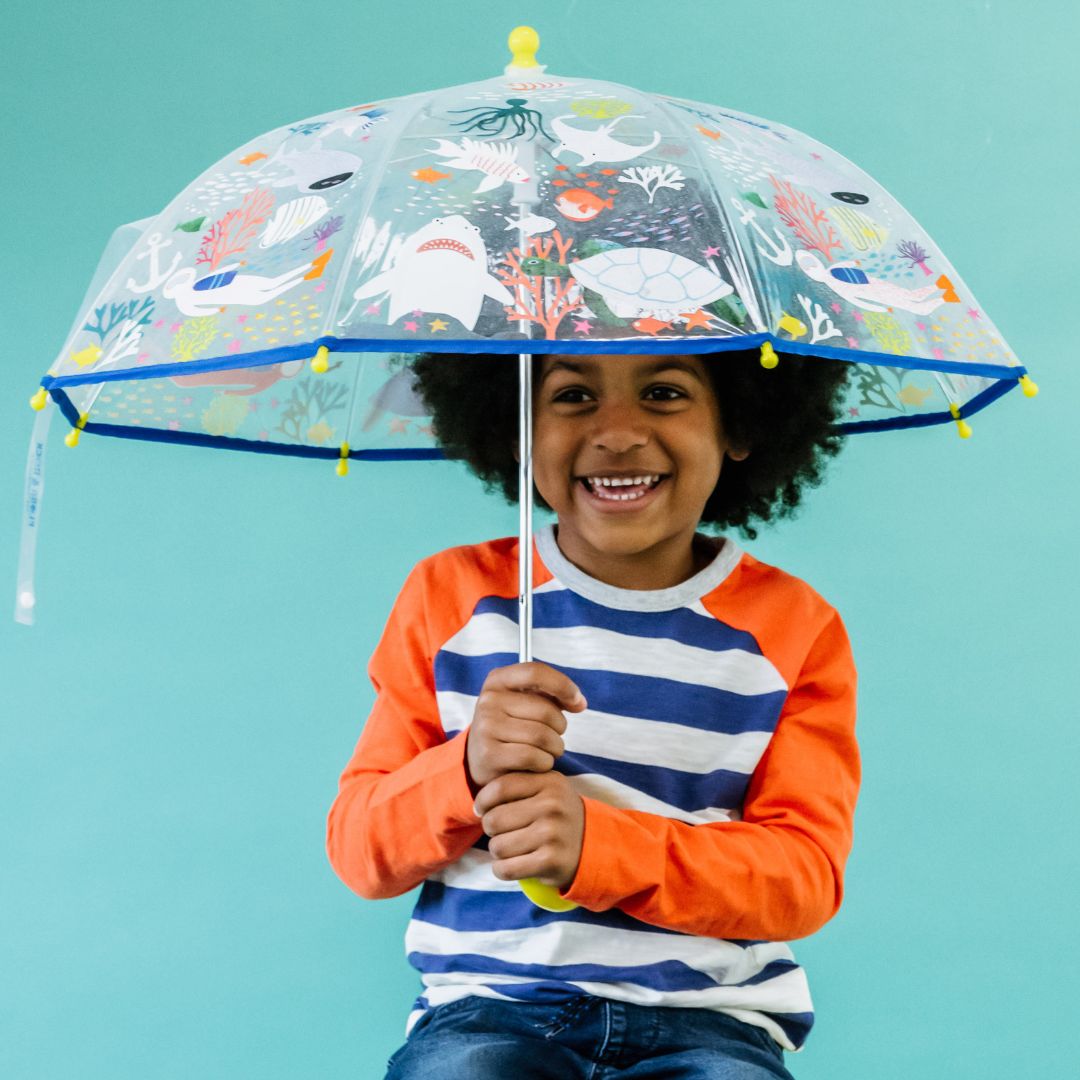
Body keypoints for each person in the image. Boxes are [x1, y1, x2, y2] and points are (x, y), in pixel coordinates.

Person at [326, 347, 861, 1079]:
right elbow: (360, 851)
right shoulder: (450, 598)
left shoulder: (794, 628)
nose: (616, 432)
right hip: (489, 1012)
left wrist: (600, 849)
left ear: (739, 422)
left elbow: (803, 877)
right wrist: (465, 770)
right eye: (573, 395)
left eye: (664, 392)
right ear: (518, 426)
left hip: (709, 1023)